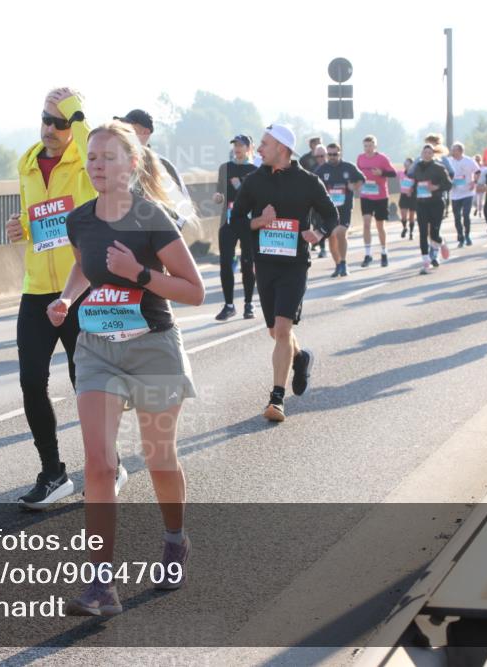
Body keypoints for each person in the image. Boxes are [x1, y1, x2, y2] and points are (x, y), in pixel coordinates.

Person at [47, 120, 204, 616]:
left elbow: (193, 291)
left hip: (152, 347)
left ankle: (175, 540)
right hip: (96, 348)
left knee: (158, 457)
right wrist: (68, 298)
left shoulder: (151, 217)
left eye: (109, 157)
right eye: (92, 157)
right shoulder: (80, 220)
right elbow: (83, 263)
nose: (98, 165)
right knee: (100, 463)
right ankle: (101, 586)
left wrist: (137, 273)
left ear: (132, 164)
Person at [6, 87, 129, 510]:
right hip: (37, 290)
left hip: (83, 289)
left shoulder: (84, 161)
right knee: (30, 382)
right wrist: (20, 226)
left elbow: (91, 136)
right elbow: (33, 217)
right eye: (45, 119)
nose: (51, 129)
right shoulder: (26, 164)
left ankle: (109, 465)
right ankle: (53, 473)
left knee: (88, 385)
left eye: (60, 122)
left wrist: (74, 107)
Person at [231, 124, 337, 421]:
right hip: (263, 264)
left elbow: (331, 215)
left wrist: (318, 232)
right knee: (275, 331)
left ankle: (276, 399)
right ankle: (300, 357)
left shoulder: (308, 182)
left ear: (281, 147)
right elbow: (234, 222)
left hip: (294, 265)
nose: (259, 149)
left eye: (264, 144)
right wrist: (259, 222)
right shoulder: (254, 182)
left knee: (282, 329)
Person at [213, 134, 258, 320]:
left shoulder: (255, 170)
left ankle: (249, 304)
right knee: (225, 264)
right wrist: (218, 197)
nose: (237, 148)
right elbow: (220, 191)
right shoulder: (225, 168)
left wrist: (240, 186)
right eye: (235, 145)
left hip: (247, 223)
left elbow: (256, 198)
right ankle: (229, 305)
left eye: (241, 145)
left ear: (249, 148)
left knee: (248, 264)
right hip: (228, 222)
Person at [315, 142, 365, 277]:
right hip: (329, 210)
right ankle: (337, 264)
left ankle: (343, 262)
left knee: (340, 232)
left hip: (345, 208)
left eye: (334, 154)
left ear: (340, 153)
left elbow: (361, 179)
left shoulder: (348, 167)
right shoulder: (322, 170)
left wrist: (353, 187)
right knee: (331, 237)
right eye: (329, 154)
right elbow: (313, 185)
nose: (332, 157)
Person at [356, 135, 397, 267]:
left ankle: (384, 252)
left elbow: (393, 173)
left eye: (370, 145)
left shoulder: (382, 158)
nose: (368, 148)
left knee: (380, 226)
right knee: (366, 224)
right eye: (366, 146)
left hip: (380, 196)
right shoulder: (360, 158)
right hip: (366, 195)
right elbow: (356, 172)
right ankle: (368, 255)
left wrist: (381, 173)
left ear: (375, 146)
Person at [412, 144, 453, 274]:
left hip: (436, 203)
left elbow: (449, 184)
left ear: (433, 154)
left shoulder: (439, 168)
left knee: (434, 234)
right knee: (423, 232)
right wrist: (409, 189)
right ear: (421, 154)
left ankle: (442, 243)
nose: (427, 155)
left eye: (430, 153)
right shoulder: (417, 167)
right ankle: (426, 262)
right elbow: (412, 180)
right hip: (421, 203)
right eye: (425, 152)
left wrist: (436, 187)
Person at [448, 142, 481, 247]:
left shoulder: (468, 161)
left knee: (466, 215)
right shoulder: (449, 161)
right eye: (452, 150)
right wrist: (448, 182)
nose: (452, 152)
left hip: (467, 192)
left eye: (454, 150)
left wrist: (474, 182)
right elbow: (445, 172)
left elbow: (478, 172)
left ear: (461, 151)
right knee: (457, 216)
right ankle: (460, 236)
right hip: (454, 193)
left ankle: (467, 235)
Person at [398, 158, 416, 241]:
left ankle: (411, 232)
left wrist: (412, 189)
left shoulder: (415, 174)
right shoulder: (401, 173)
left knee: (411, 216)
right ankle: (405, 227)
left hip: (412, 197)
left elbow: (418, 183)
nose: (406, 165)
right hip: (403, 196)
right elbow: (391, 172)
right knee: (403, 215)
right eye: (405, 164)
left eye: (408, 164)